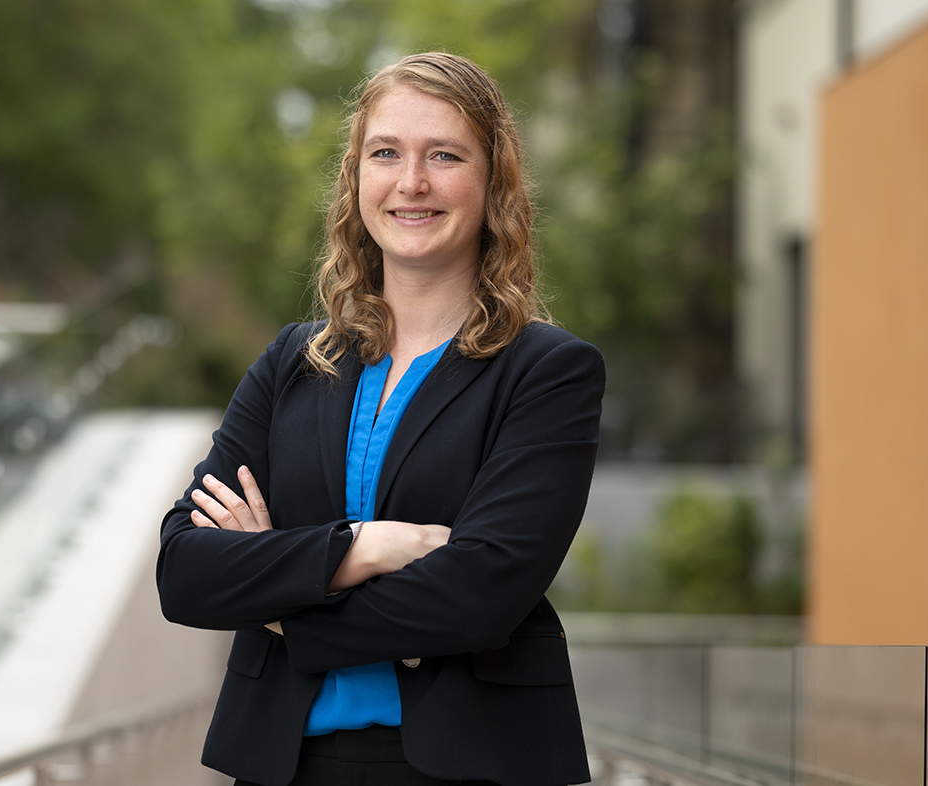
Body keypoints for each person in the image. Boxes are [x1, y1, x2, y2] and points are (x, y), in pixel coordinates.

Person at [157, 51, 604, 786]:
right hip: (283, 766)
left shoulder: (547, 372)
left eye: (445, 155)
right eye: (386, 153)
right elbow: (186, 570)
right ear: (356, 178)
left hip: (471, 767)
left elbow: (479, 597)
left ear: (493, 183)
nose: (412, 182)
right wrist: (365, 546)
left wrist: (280, 604)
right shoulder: (294, 363)